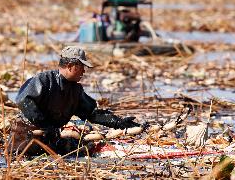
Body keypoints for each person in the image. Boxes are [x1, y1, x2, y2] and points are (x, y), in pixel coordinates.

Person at [10, 46, 140, 155]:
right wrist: (45, 126)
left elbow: (93, 113)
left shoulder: (75, 90)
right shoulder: (44, 80)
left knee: (83, 150)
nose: (84, 71)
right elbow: (23, 101)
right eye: (81, 66)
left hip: (50, 139)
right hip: (26, 138)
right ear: (70, 65)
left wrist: (119, 123)